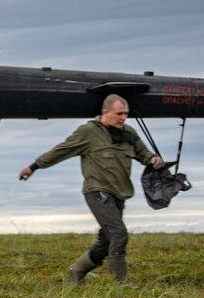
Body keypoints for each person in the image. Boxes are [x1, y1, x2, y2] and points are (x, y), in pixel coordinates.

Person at [19, 94, 161, 283]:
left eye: (126, 114)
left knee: (106, 242)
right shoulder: (88, 131)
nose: (123, 117)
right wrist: (33, 167)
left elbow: (143, 153)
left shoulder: (129, 133)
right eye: (119, 113)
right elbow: (60, 150)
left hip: (120, 192)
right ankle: (122, 284)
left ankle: (76, 271)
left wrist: (153, 159)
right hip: (97, 191)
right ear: (105, 112)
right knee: (119, 234)